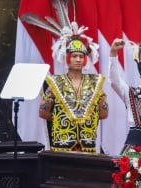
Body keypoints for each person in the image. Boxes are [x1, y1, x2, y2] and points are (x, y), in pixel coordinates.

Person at [23, 0, 109, 152]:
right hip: (62, 145)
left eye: (81, 56)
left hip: (87, 146)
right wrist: (63, 119)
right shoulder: (56, 82)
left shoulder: (95, 82)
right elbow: (43, 112)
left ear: (85, 59)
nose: (77, 59)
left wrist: (85, 119)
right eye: (74, 56)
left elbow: (103, 113)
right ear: (67, 58)